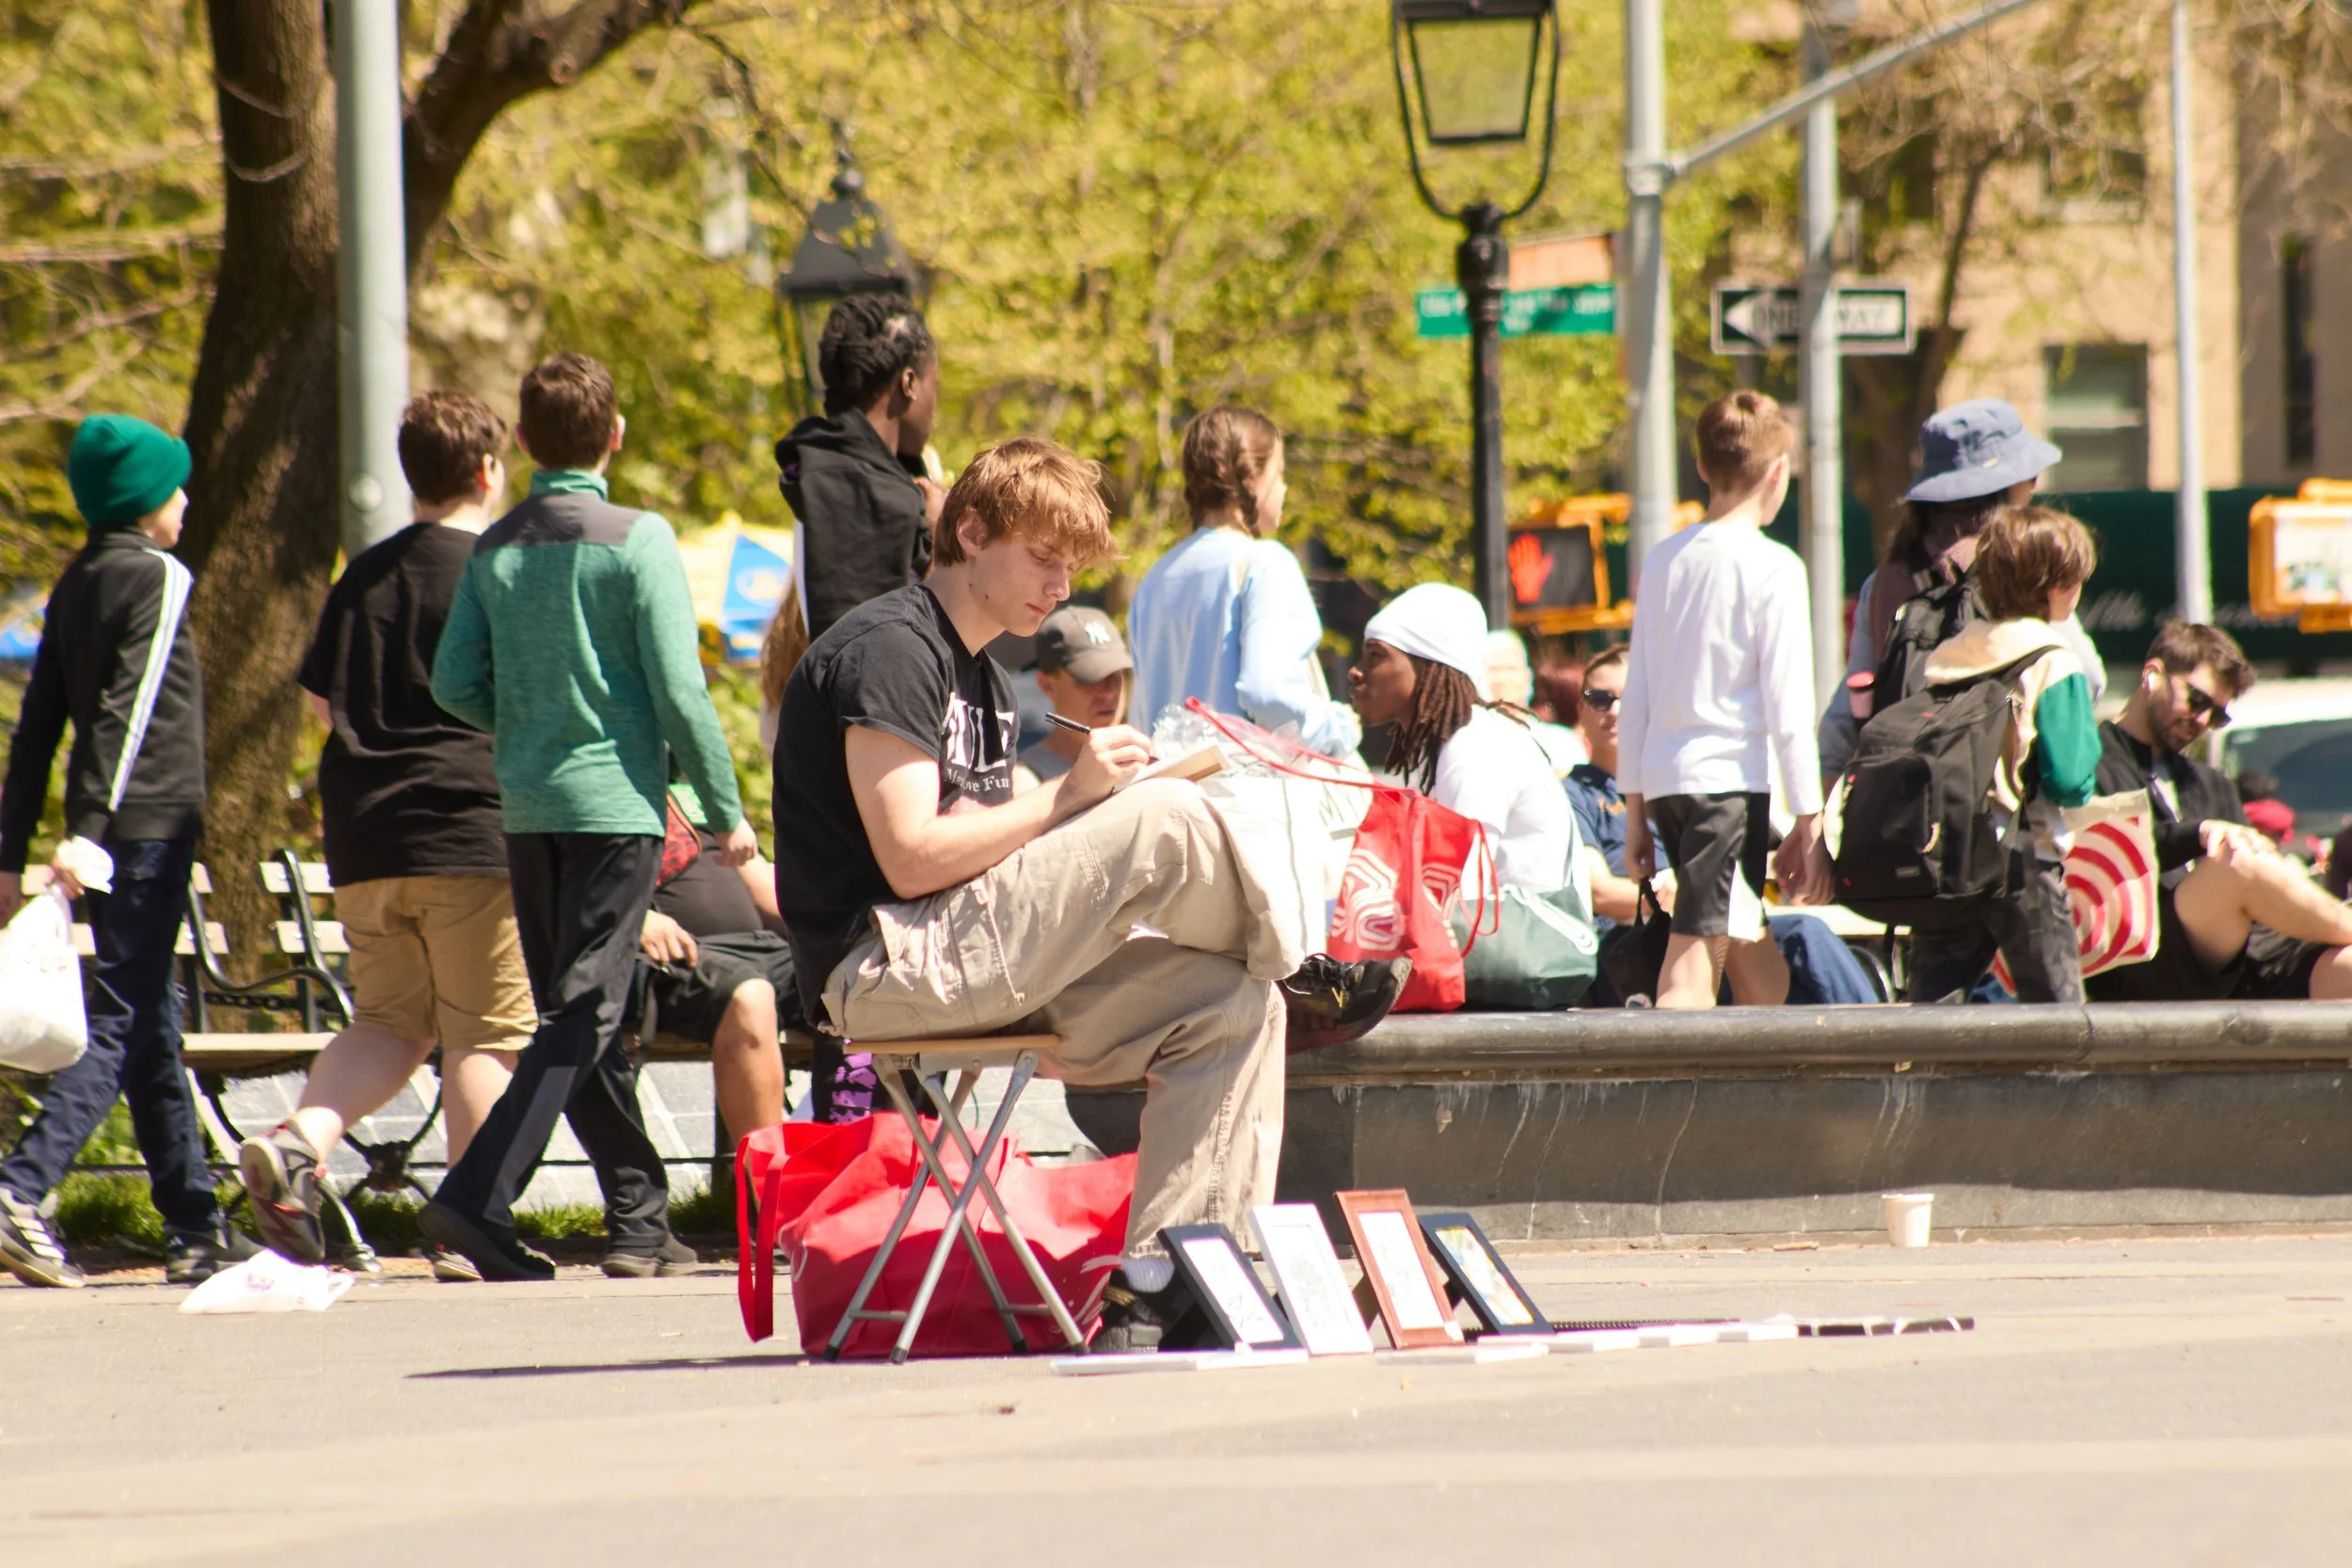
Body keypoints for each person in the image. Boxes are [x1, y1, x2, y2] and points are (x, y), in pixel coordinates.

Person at [767, 436, 1406, 1353]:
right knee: (1168, 817)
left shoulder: (983, 675)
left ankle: (1167, 1283)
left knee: (1232, 1000)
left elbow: (985, 865)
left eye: (1070, 566)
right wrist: (1069, 799)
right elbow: (909, 858)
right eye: (1042, 557)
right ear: (972, 531)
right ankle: (1297, 954)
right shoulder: (891, 649)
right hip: (888, 961)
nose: (1060, 585)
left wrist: (1080, 828)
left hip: (962, 948)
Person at [422, 353, 755, 1281]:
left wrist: (525, 722)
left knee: (579, 1011)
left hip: (528, 809)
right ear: (615, 436)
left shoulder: (495, 546)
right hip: (616, 805)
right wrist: (727, 811)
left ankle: (635, 1216)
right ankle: (475, 1197)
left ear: (522, 443)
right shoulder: (638, 538)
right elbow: (682, 695)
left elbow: (453, 682)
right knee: (587, 1010)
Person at [237, 392, 539, 1282]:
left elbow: (324, 700)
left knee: (390, 1022)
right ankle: (471, 1223)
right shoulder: (498, 572)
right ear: (489, 472)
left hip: (367, 835)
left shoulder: (361, 577)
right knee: (485, 1034)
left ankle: (299, 1139)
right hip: (468, 827)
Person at [0, 414, 254, 1289]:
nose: (186, 499)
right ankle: (19, 1189)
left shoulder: (75, 583)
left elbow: (37, 732)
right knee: (119, 1019)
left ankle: (193, 1222)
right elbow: (129, 707)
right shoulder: (160, 576)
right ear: (147, 503)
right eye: (176, 486)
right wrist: (91, 831)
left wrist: (11, 850)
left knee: (152, 1024)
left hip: (107, 830)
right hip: (137, 832)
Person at [1618, 391, 1829, 1009]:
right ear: (1778, 472)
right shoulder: (1774, 567)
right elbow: (1789, 706)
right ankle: (1671, 1098)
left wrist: (1635, 811)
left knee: (1755, 964)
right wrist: (1809, 821)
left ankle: (1766, 1091)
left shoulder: (1664, 559)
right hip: (1727, 788)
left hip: (1670, 785)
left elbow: (1639, 695)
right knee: (1690, 970)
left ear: (1703, 468)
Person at [1565, 646, 1880, 1007]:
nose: (1616, 712)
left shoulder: (1670, 782)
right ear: (1579, 710)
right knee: (1798, 938)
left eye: (1630, 698)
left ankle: (1869, 1041)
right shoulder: (1575, 793)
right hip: (1633, 947)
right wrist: (1688, 897)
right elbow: (1599, 892)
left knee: (1799, 945)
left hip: (1703, 922)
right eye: (1600, 699)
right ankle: (1884, 1041)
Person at [1818, 400, 2098, 784]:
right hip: (1994, 810)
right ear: (2004, 489)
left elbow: (1846, 714)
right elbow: (2086, 678)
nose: (2034, 488)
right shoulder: (2020, 571)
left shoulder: (1887, 581)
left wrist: (1820, 815)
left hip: (1901, 804)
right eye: (2029, 478)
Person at [1899, 505, 2103, 1004]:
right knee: (2058, 1020)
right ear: (2053, 585)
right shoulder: (2053, 659)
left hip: (1947, 854)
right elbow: (2070, 777)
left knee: (1931, 1014)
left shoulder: (1947, 655)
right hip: (2023, 858)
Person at [2085, 623, 2352, 1003]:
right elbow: (2106, 848)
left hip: (2246, 967)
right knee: (2236, 862)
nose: (2202, 721)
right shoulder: (2091, 762)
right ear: (2152, 675)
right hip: (2144, 960)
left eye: (2218, 717)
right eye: (2197, 700)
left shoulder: (2212, 784)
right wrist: (2198, 834)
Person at [1125, 406, 1359, 757]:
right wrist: (1340, 726)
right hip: (1249, 799)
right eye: (1278, 473)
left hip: (1170, 797)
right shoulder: (1266, 562)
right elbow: (1269, 694)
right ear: (1250, 478)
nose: (1284, 487)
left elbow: (1142, 717)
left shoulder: (1156, 578)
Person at [628, 784, 799, 1248]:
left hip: (761, 947)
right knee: (749, 996)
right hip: (670, 958)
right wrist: (633, 916)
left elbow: (761, 883)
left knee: (869, 982)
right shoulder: (589, 785)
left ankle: (872, 1185)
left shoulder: (696, 790)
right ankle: (774, 1209)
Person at [1345, 584, 1574, 894]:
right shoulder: (1452, 743)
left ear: (1429, 667)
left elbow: (1463, 892)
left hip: (1531, 937)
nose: (1356, 671)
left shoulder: (1475, 746)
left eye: (1376, 655)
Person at [774, 293, 946, 643]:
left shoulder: (820, 464)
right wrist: (941, 543)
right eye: (935, 387)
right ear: (909, 383)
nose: (935, 407)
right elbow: (879, 652)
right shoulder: (867, 492)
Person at [1011, 606, 1131, 790]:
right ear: (1048, 685)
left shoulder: (1148, 757)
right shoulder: (1027, 783)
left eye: (1115, 674)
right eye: (1090, 677)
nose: (1108, 691)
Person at [1485, 629, 1583, 776]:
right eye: (1494, 670)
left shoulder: (1562, 742)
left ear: (1528, 676)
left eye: (1512, 668)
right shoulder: (1473, 742)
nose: (1503, 678)